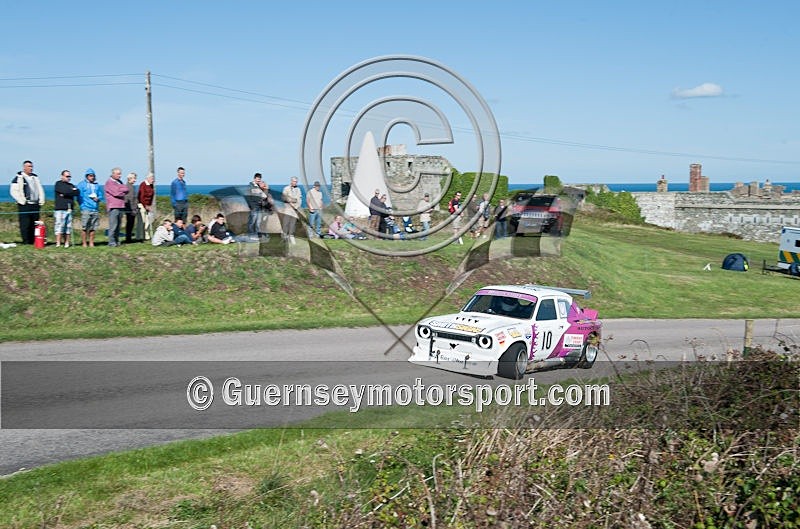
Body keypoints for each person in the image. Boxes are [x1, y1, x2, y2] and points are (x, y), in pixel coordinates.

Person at [9, 160, 45, 244]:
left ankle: (33, 240)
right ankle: (26, 241)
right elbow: (13, 191)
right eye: (29, 166)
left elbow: (40, 189)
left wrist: (41, 200)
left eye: (31, 166)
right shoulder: (18, 178)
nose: (31, 168)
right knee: (25, 224)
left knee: (34, 223)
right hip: (25, 205)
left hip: (35, 204)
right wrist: (21, 200)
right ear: (24, 167)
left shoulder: (35, 177)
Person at [53, 169, 79, 248]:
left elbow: (77, 192)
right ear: (62, 176)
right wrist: (70, 191)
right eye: (67, 176)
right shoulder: (58, 184)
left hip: (69, 208)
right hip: (60, 209)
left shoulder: (71, 185)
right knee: (59, 226)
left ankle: (66, 243)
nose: (69, 178)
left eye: (69, 176)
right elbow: (64, 190)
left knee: (68, 227)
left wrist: (67, 193)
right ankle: (58, 243)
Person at [76, 168, 102, 247]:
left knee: (93, 227)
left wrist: (98, 198)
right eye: (90, 176)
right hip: (86, 208)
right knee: (85, 227)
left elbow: (100, 195)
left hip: (95, 209)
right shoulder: (81, 184)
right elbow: (78, 197)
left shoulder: (97, 185)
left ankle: (91, 242)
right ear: (87, 176)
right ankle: (84, 243)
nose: (92, 177)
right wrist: (82, 206)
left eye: (93, 176)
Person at [104, 167, 129, 247]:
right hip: (113, 206)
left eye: (120, 174)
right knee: (113, 226)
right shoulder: (109, 182)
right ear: (113, 174)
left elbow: (126, 189)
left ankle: (117, 241)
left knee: (118, 226)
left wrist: (120, 189)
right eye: (118, 174)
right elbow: (116, 193)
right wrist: (122, 191)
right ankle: (111, 242)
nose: (120, 175)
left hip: (120, 206)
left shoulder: (119, 182)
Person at [246, 172, 270, 239]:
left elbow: (264, 196)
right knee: (252, 221)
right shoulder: (250, 186)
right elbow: (247, 197)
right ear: (254, 178)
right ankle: (250, 235)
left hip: (259, 207)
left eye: (259, 179)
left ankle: (256, 235)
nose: (258, 180)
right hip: (254, 207)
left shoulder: (259, 186)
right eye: (257, 179)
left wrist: (266, 188)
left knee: (258, 222)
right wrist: (251, 206)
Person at [280, 176, 302, 244]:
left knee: (293, 224)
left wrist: (296, 206)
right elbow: (284, 198)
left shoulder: (298, 189)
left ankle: (291, 236)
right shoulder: (286, 188)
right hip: (288, 208)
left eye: (296, 182)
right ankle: (284, 237)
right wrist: (292, 201)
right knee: (286, 223)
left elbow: (299, 199)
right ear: (291, 181)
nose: (295, 183)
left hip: (295, 209)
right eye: (294, 181)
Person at [137, 173, 155, 240]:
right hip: (142, 205)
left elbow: (151, 196)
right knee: (142, 221)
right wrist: (145, 206)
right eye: (152, 179)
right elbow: (141, 197)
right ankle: (140, 237)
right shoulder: (143, 185)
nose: (153, 180)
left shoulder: (151, 185)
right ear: (148, 178)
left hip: (148, 205)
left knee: (147, 222)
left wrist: (150, 205)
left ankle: (146, 236)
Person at [123, 172, 138, 243]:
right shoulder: (128, 187)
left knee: (131, 223)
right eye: (134, 178)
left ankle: (128, 238)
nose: (135, 180)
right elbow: (129, 199)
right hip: (130, 209)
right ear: (130, 178)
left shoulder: (131, 186)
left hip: (131, 208)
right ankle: (128, 239)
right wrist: (133, 209)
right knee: (130, 223)